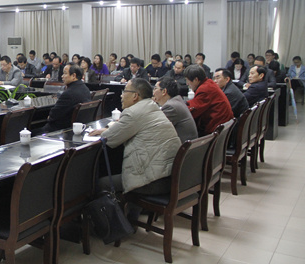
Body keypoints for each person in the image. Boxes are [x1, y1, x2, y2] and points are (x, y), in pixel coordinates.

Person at [89, 78, 181, 221]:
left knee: (100, 183)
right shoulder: (151, 106)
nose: (121, 95)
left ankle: (109, 224)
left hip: (152, 181)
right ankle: (130, 218)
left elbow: (109, 139)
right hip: (168, 176)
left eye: (124, 91)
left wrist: (105, 131)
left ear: (135, 96)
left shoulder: (133, 113)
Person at [39, 64, 91, 133]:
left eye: (65, 73)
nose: (62, 76)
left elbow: (53, 116)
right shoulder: (85, 89)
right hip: (78, 128)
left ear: (73, 76)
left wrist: (48, 117)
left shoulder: (69, 93)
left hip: (60, 130)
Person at [185, 65, 234, 136]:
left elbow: (194, 110)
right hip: (224, 127)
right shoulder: (209, 83)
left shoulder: (204, 89)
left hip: (216, 131)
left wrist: (181, 107)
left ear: (196, 79)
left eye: (187, 80)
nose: (187, 83)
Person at [152, 78, 198, 142]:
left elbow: (155, 128)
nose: (153, 92)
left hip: (182, 146)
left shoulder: (171, 107)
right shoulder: (177, 100)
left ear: (164, 91)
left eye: (155, 88)